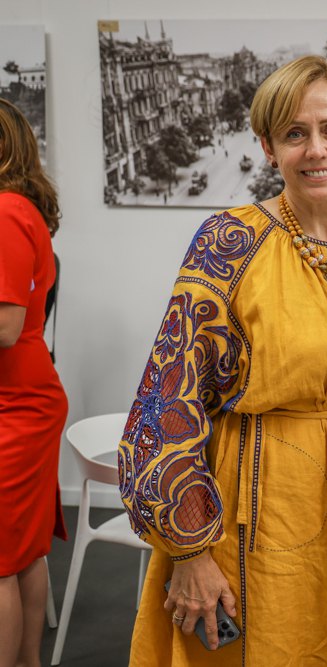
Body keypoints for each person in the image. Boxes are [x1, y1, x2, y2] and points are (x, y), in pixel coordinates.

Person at [118, 55, 327, 666]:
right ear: (268, 147)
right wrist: (190, 552)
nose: (315, 149)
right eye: (295, 134)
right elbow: (168, 399)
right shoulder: (229, 243)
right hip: (255, 503)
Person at [0, 97, 68, 667]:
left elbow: (3, 325)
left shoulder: (2, 213)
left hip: (14, 404)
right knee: (22, 553)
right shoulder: (19, 209)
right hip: (25, 396)